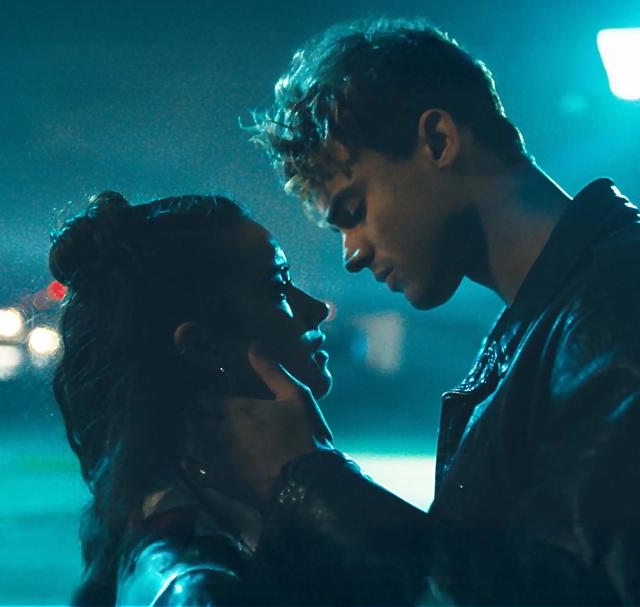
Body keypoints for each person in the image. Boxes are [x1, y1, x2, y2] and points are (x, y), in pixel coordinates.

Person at [219, 17, 640, 604]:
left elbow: (578, 593)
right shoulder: (552, 318)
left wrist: (309, 478)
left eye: (353, 210)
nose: (351, 255)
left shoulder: (617, 303)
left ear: (439, 140)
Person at [49, 191, 343, 606]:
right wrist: (321, 477)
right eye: (278, 286)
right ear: (203, 347)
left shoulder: (161, 519)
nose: (316, 309)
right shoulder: (206, 586)